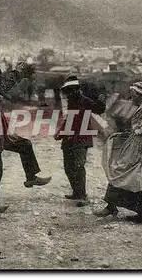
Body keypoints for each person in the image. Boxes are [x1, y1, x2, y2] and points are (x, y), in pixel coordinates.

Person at [0, 62, 52, 213]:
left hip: (1, 133)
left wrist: (16, 72)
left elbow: (7, 84)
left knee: (25, 145)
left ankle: (31, 176)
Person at [94, 81, 142, 223]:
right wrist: (124, 135)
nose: (131, 98)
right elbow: (138, 130)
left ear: (141, 95)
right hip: (136, 148)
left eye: (133, 95)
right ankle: (112, 207)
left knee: (139, 180)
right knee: (122, 173)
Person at [54, 76, 106, 205]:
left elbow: (99, 109)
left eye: (72, 90)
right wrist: (60, 133)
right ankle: (76, 192)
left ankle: (82, 195)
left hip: (81, 138)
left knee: (78, 166)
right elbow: (68, 121)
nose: (70, 93)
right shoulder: (71, 103)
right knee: (68, 167)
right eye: (68, 91)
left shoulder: (85, 101)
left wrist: (101, 101)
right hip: (69, 139)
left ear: (77, 89)